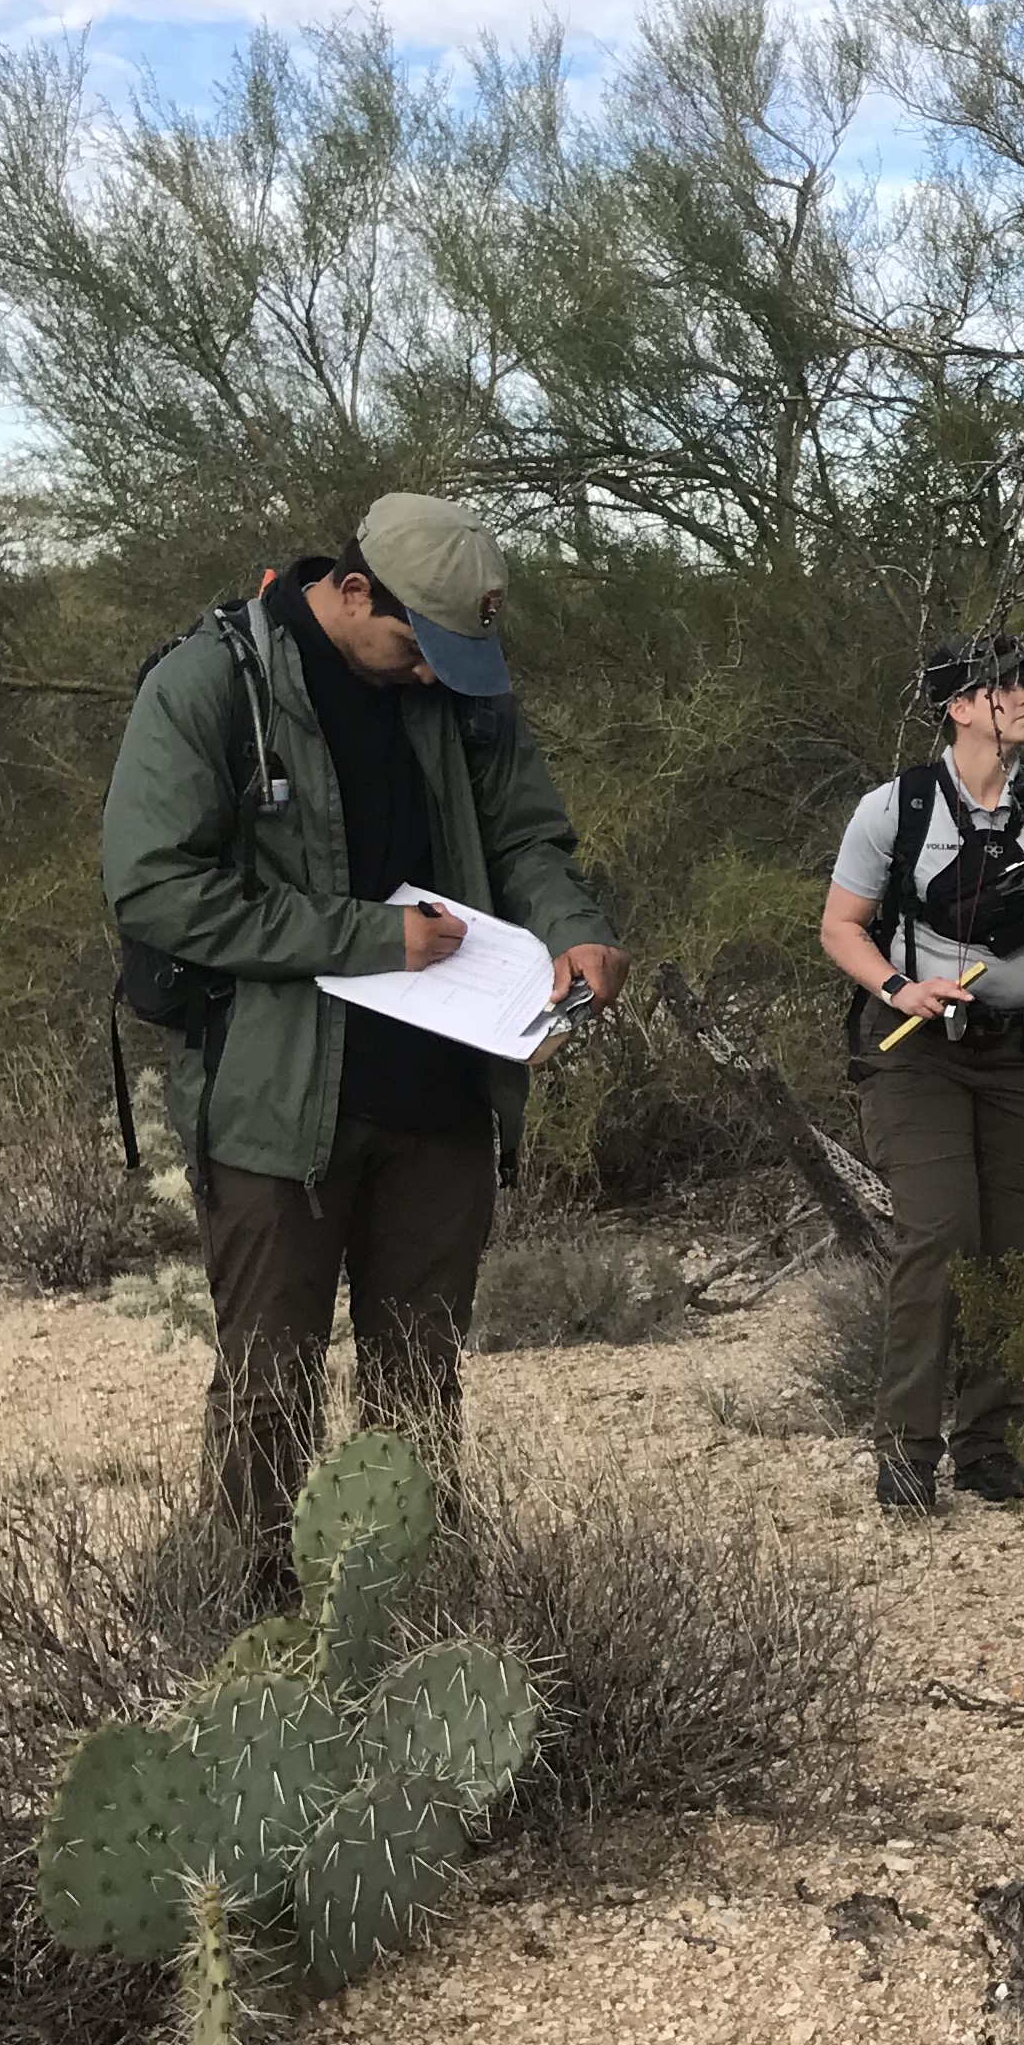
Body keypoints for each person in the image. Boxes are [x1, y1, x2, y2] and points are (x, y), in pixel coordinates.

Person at [104, 493, 624, 1542]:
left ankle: (417, 1636)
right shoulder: (211, 683)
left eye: (454, 659)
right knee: (268, 1389)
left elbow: (529, 838)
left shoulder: (460, 689)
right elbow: (156, 888)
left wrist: (573, 927)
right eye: (416, 647)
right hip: (274, 1103)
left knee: (421, 1391)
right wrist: (366, 938)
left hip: (441, 1096)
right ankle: (245, 1631)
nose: (432, 674)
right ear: (350, 592)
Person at [817, 634, 1024, 1513]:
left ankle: (988, 1446)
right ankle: (906, 1454)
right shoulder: (895, 810)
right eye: (1001, 686)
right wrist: (897, 985)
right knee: (939, 1234)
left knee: (1009, 1252)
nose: (1023, 696)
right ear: (958, 708)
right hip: (918, 1054)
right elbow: (841, 926)